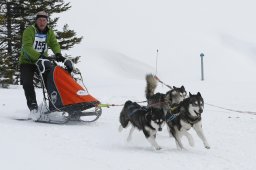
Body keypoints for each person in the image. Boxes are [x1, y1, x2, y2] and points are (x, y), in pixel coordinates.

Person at [19, 11, 66, 120]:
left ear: (47, 21)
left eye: (44, 20)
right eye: (40, 20)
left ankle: (54, 105)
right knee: (27, 83)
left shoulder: (49, 32)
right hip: (27, 61)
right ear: (36, 21)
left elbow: (54, 44)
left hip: (42, 61)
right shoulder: (29, 31)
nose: (42, 22)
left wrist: (58, 53)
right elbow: (26, 47)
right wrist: (39, 56)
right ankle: (33, 108)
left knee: (52, 80)